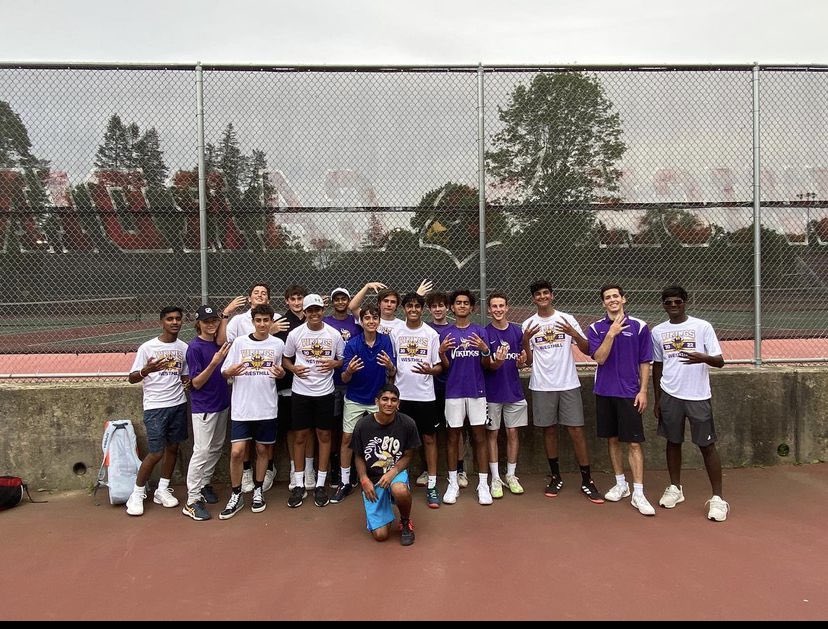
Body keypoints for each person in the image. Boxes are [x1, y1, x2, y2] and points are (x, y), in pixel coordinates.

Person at [521, 280, 604, 504]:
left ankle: (587, 479)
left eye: (546, 293)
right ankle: (555, 476)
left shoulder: (566, 319)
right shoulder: (528, 324)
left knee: (576, 430)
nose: (542, 297)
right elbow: (527, 361)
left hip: (568, 383)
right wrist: (526, 341)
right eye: (538, 294)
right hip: (542, 385)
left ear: (552, 295)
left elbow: (587, 350)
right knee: (548, 430)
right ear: (533, 298)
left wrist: (573, 334)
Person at [651, 285, 729, 522]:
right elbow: (658, 365)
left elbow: (720, 361)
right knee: (673, 442)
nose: (673, 306)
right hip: (670, 395)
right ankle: (675, 488)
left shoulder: (702, 326)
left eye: (677, 301)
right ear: (663, 305)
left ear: (685, 302)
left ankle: (718, 499)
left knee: (707, 446)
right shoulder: (657, 331)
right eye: (668, 302)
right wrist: (658, 399)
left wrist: (702, 357)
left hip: (697, 396)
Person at [587, 284, 655, 517]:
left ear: (624, 299)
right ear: (603, 303)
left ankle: (638, 492)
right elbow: (600, 358)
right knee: (613, 440)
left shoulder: (640, 327)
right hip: (605, 392)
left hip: (629, 393)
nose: (612, 300)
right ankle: (620, 483)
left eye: (616, 296)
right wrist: (611, 333)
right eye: (607, 297)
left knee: (634, 444)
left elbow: (645, 361)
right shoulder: (596, 328)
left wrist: (643, 390)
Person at [218, 304, 286, 519]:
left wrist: (281, 373)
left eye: (267, 320)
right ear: (253, 321)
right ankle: (236, 493)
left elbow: (281, 371)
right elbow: (224, 371)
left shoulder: (278, 344)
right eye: (259, 320)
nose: (263, 324)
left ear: (271, 322)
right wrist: (230, 371)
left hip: (266, 407)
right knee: (238, 451)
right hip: (242, 408)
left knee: (262, 451)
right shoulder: (240, 342)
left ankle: (258, 490)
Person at [125, 306, 190, 517]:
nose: (174, 322)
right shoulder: (148, 348)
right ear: (161, 322)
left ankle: (162, 489)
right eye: (170, 319)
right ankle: (137, 493)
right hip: (155, 407)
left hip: (178, 405)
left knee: (173, 449)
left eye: (178, 319)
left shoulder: (184, 348)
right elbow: (132, 377)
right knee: (156, 452)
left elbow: (184, 375)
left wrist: (188, 382)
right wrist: (147, 370)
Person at [282, 294, 345, 508]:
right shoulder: (295, 334)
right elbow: (286, 358)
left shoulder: (334, 334)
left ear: (322, 311)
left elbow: (341, 359)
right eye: (310, 310)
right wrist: (292, 369)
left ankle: (320, 484)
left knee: (324, 436)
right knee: (300, 436)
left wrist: (333, 364)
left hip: (325, 393)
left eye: (317, 309)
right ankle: (299, 484)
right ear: (305, 313)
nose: (314, 313)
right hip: (300, 393)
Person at [332, 304, 396, 504]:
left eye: (374, 318)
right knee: (347, 438)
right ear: (361, 321)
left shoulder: (386, 341)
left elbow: (393, 373)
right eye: (366, 318)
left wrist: (390, 366)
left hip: (378, 399)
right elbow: (344, 377)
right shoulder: (352, 344)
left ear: (378, 321)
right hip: (355, 398)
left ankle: (385, 480)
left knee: (384, 440)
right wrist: (349, 371)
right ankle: (344, 481)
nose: (370, 321)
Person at [438, 289, 493, 506]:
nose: (462, 306)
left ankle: (483, 485)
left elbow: (487, 365)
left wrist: (485, 349)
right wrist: (442, 352)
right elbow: (445, 367)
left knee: (479, 438)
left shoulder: (480, 332)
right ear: (452, 307)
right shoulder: (446, 334)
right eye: (458, 303)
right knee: (453, 437)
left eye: (466, 303)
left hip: (477, 392)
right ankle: (453, 483)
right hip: (453, 392)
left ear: (472, 308)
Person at [350, 384, 421, 546]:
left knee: (399, 490)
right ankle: (385, 507)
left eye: (393, 400)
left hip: (395, 472)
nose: (389, 404)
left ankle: (405, 522)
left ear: (398, 403)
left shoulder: (407, 423)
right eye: (385, 399)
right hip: (373, 477)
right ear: (377, 401)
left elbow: (408, 455)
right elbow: (359, 456)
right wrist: (363, 479)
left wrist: (392, 472)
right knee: (380, 536)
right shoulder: (363, 425)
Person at [392, 292, 443, 508]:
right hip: (401, 397)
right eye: (409, 306)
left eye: (417, 306)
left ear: (422, 309)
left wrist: (430, 370)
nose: (413, 309)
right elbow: (391, 364)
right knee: (399, 442)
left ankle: (432, 484)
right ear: (404, 309)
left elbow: (439, 366)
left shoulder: (431, 334)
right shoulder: (395, 332)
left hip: (425, 397)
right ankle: (399, 484)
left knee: (429, 440)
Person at [182, 304, 232, 521]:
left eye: (214, 321)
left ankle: (204, 484)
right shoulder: (194, 348)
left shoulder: (219, 343)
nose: (211, 325)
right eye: (206, 321)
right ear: (198, 324)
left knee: (216, 448)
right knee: (201, 451)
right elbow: (196, 383)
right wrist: (214, 363)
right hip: (204, 407)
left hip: (222, 404)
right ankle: (192, 501)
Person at [483, 291, 528, 498]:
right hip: (492, 393)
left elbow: (524, 361)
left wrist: (521, 362)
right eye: (494, 306)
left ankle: (511, 475)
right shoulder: (485, 333)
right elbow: (486, 365)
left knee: (512, 433)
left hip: (514, 392)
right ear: (489, 309)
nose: (498, 310)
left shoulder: (517, 332)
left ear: (507, 308)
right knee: (492, 434)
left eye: (502, 306)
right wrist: (496, 363)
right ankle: (495, 478)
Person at [274, 284, 318, 492]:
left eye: (301, 298)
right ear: (287, 301)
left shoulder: (314, 320)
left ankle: (309, 467)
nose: (297, 302)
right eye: (293, 298)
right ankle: (295, 468)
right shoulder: (280, 324)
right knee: (293, 429)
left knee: (310, 429)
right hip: (289, 387)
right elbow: (280, 356)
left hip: (313, 386)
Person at [425, 291, 466, 487]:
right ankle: (427, 469)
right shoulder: (424, 330)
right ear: (429, 309)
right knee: (428, 431)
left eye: (441, 305)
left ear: (447, 307)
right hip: (429, 389)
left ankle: (460, 469)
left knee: (455, 430)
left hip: (453, 388)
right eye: (433, 306)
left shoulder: (454, 330)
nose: (438, 309)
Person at [323, 287, 362, 488]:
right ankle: (335, 468)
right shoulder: (326, 323)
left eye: (343, 299)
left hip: (352, 382)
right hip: (330, 382)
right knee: (334, 427)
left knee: (352, 430)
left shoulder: (356, 323)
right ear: (332, 302)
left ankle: (353, 468)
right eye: (336, 299)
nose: (340, 302)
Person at [349, 279, 433, 336]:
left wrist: (417, 296)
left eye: (393, 302)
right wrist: (366, 287)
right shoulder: (370, 320)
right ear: (379, 303)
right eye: (386, 301)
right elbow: (352, 307)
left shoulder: (402, 324)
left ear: (397, 305)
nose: (389, 304)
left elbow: (413, 313)